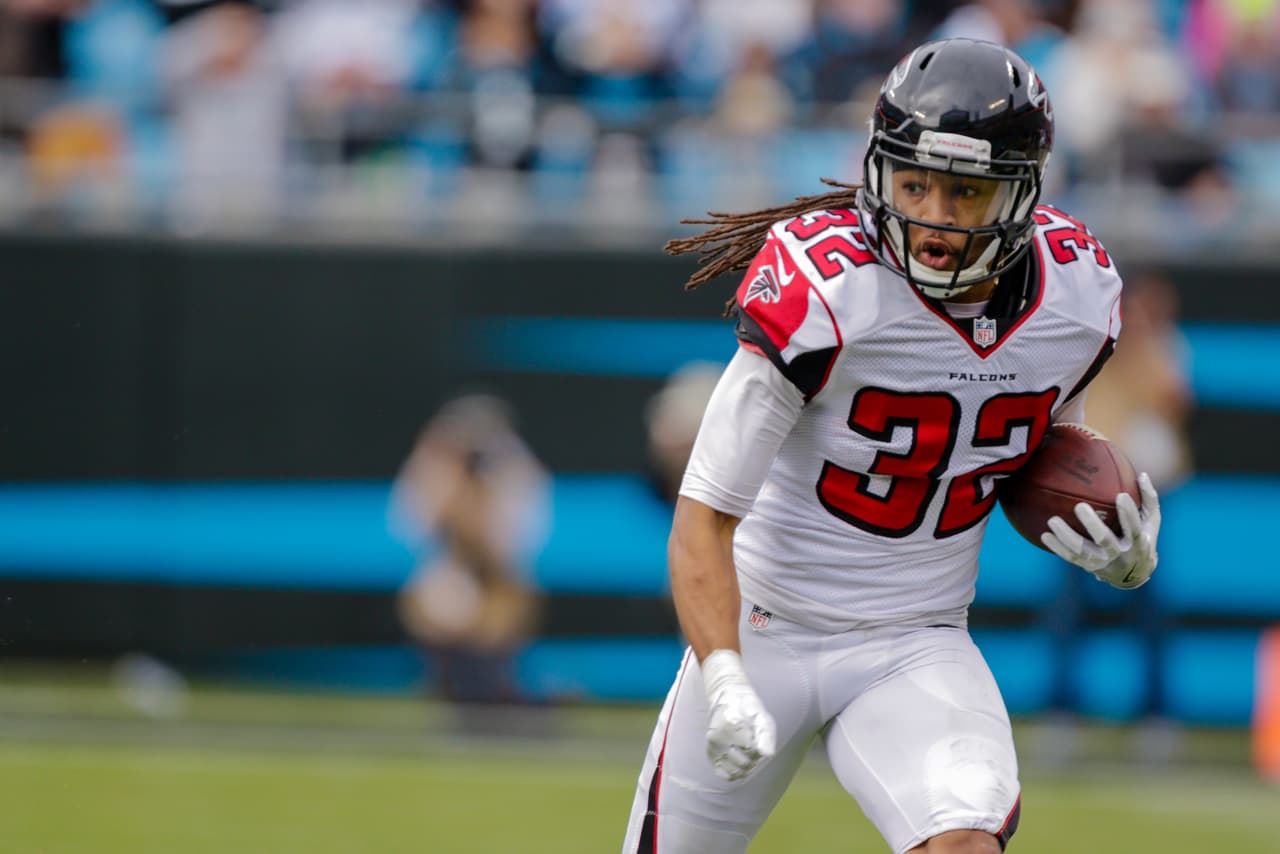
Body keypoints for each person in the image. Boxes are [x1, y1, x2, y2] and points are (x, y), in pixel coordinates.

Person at [622, 38, 1161, 853]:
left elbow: (1042, 452)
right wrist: (723, 673)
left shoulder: (1077, 297)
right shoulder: (827, 287)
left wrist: (1112, 546)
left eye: (965, 193)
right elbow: (704, 516)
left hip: (917, 638)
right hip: (765, 627)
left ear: (1019, 194)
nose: (933, 218)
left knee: (964, 839)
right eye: (915, 183)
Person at [394, 394, 550, 706]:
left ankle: (494, 690)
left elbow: (509, 548)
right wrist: (448, 481)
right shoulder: (433, 467)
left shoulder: (517, 473)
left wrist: (481, 501)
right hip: (448, 576)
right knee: (438, 606)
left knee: (502, 611)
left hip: (499, 582)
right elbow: (414, 530)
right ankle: (444, 687)